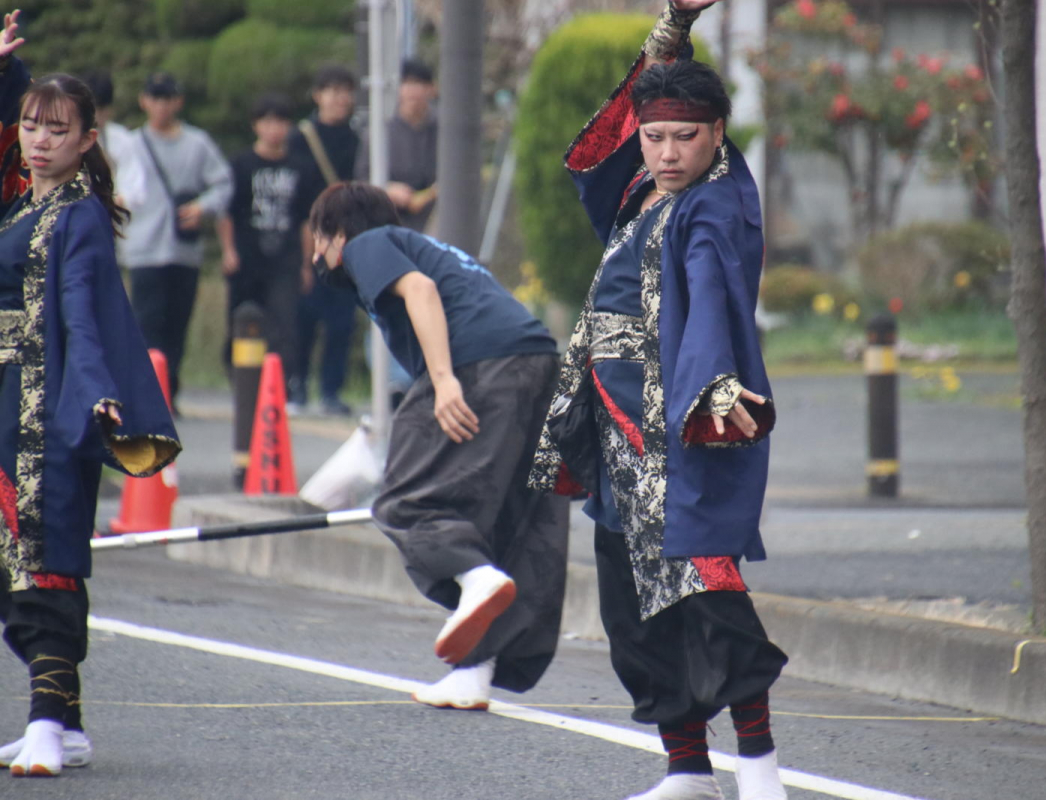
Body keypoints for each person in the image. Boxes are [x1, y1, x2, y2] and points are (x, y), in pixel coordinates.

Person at [527, 2, 789, 798]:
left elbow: (711, 292)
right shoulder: (638, 181)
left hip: (675, 421)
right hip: (611, 419)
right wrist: (671, 27)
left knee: (707, 590)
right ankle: (685, 769)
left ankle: (760, 766)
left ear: (717, 133)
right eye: (656, 135)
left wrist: (712, 384)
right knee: (632, 604)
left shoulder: (716, 206)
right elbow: (601, 137)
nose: (668, 151)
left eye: (686, 136)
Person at [0, 12, 181, 777]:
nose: (40, 138)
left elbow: (81, 302)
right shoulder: (18, 206)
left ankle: (45, 721)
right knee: (13, 559)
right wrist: (7, 73)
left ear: (86, 140)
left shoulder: (74, 215)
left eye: (56, 128)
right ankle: (65, 726)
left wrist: (99, 393)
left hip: (49, 406)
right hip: (7, 402)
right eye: (31, 124)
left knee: (44, 560)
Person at [308, 182, 568, 711]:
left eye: (318, 239)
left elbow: (421, 292)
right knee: (504, 521)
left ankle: (476, 578)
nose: (317, 255)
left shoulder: (368, 243)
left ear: (336, 233)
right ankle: (475, 671)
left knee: (406, 500)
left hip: (479, 365)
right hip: (537, 360)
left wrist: (445, 381)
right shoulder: (424, 245)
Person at [119, 71, 232, 408]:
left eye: (168, 98)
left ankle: (171, 392)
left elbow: (224, 183)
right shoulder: (132, 145)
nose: (161, 105)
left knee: (177, 325)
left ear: (178, 102)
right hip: (143, 249)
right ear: (144, 101)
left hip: (183, 250)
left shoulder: (197, 144)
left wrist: (203, 207)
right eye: (155, 98)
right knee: (146, 323)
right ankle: (149, 394)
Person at [217, 92, 315, 387]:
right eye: (268, 122)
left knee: (284, 323)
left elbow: (306, 220)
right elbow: (227, 211)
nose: (275, 129)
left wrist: (307, 263)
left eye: (281, 122)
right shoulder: (240, 165)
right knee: (243, 317)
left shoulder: (301, 167)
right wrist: (229, 251)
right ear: (256, 125)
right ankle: (241, 379)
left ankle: (279, 383)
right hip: (247, 255)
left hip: (285, 256)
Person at [289, 65, 361, 416]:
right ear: (317, 95)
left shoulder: (358, 138)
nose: (339, 98)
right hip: (307, 234)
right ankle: (297, 385)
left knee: (341, 321)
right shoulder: (300, 137)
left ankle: (331, 389)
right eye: (331, 90)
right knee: (304, 316)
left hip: (347, 240)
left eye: (345, 90)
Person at [353, 58, 437, 232]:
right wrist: (387, 189)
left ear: (431, 89)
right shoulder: (380, 132)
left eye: (419, 84)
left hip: (435, 223)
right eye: (406, 84)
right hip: (391, 223)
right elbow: (361, 179)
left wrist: (430, 194)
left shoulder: (444, 131)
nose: (412, 91)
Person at [79, 70, 146, 211]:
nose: (96, 117)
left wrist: (110, 202)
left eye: (101, 109)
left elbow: (135, 190)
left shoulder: (122, 139)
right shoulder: (67, 137)